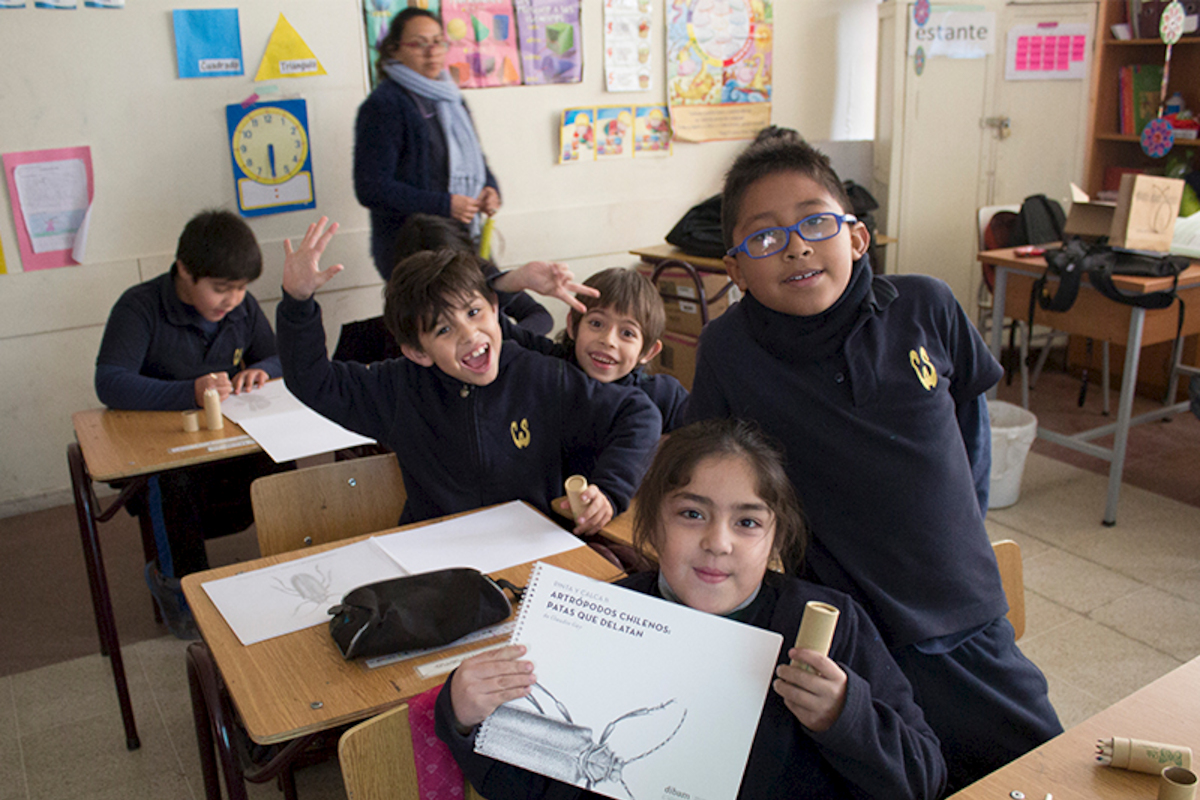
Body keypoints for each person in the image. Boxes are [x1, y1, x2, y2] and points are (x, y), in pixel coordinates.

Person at [684, 138, 1061, 790]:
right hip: (848, 638)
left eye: (815, 221)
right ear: (735, 270)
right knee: (889, 779)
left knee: (1039, 774)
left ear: (857, 238)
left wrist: (959, 537)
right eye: (765, 237)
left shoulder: (927, 306)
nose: (797, 246)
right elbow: (709, 476)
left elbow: (969, 423)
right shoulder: (728, 350)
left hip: (962, 616)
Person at [434, 419, 947, 800]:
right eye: (692, 513)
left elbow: (922, 779)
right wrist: (464, 715)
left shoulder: (830, 624)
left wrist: (845, 714)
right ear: (652, 524)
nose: (717, 542)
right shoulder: (597, 621)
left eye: (747, 522)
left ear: (775, 539)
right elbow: (525, 789)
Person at [276, 218, 661, 535]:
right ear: (417, 351)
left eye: (474, 313)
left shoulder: (538, 374)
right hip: (438, 558)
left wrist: (610, 492)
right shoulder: (396, 389)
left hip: (533, 549)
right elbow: (313, 380)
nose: (469, 335)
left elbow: (638, 415)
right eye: (443, 330)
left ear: (495, 310)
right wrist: (297, 302)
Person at [94, 209, 287, 636]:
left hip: (229, 444)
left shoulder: (242, 308)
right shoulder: (139, 307)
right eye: (220, 289)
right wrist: (189, 392)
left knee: (284, 458)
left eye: (240, 289)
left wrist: (263, 371)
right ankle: (180, 594)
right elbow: (109, 381)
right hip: (167, 452)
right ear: (184, 270)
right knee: (171, 481)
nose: (232, 300)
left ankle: (292, 576)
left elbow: (274, 357)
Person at [355, 7, 501, 281]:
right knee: (435, 321)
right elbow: (371, 188)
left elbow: (475, 160)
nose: (431, 51)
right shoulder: (384, 105)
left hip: (464, 236)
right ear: (394, 50)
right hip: (414, 248)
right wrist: (444, 204)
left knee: (487, 309)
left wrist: (489, 188)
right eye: (419, 43)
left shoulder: (451, 98)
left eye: (437, 42)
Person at [503, 266, 689, 432]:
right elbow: (491, 329)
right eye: (596, 323)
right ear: (572, 325)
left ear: (648, 351)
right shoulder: (549, 362)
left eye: (627, 333)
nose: (608, 340)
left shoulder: (663, 395)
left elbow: (706, 433)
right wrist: (515, 280)